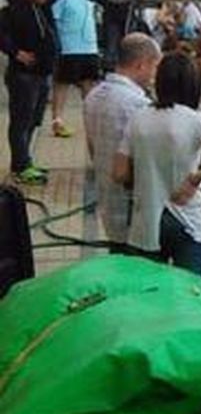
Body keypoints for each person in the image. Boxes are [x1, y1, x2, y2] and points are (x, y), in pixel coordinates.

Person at [115, 51, 201, 273]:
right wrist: (196, 178)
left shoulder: (138, 118)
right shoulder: (196, 120)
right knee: (187, 294)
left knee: (152, 293)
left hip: (147, 223)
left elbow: (120, 173)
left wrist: (146, 176)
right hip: (189, 220)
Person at [83, 33, 159, 252]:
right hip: (134, 205)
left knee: (117, 257)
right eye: (154, 67)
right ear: (141, 64)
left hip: (107, 198)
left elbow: (92, 148)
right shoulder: (138, 104)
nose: (154, 75)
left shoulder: (93, 96)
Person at [1, 0, 58, 185]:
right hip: (24, 76)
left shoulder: (41, 6)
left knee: (34, 120)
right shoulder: (14, 11)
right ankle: (20, 166)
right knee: (21, 121)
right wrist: (17, 53)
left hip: (42, 74)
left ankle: (26, 160)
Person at [48, 0, 99, 139]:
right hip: (69, 47)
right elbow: (54, 19)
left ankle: (92, 120)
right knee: (62, 84)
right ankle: (57, 120)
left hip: (89, 47)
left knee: (88, 85)